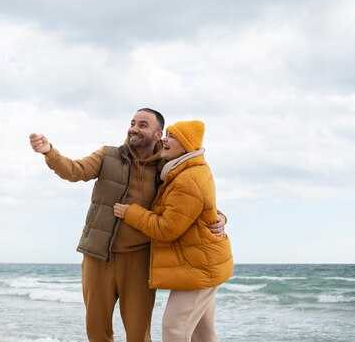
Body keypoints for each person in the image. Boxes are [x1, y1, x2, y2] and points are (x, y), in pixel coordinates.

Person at [29, 109, 226, 342]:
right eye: (133, 123)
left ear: (158, 134)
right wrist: (50, 152)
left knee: (138, 334)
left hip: (139, 259)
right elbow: (74, 170)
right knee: (97, 331)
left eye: (143, 125)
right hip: (97, 256)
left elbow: (192, 197)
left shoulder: (165, 167)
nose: (134, 128)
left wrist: (220, 217)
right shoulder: (107, 155)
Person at [114, 120, 234, 342]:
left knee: (174, 329)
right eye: (165, 134)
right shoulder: (182, 170)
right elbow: (202, 209)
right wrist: (221, 216)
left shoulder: (188, 178)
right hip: (203, 264)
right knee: (202, 334)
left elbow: (167, 228)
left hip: (199, 267)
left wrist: (131, 213)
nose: (164, 140)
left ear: (186, 144)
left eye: (171, 136)